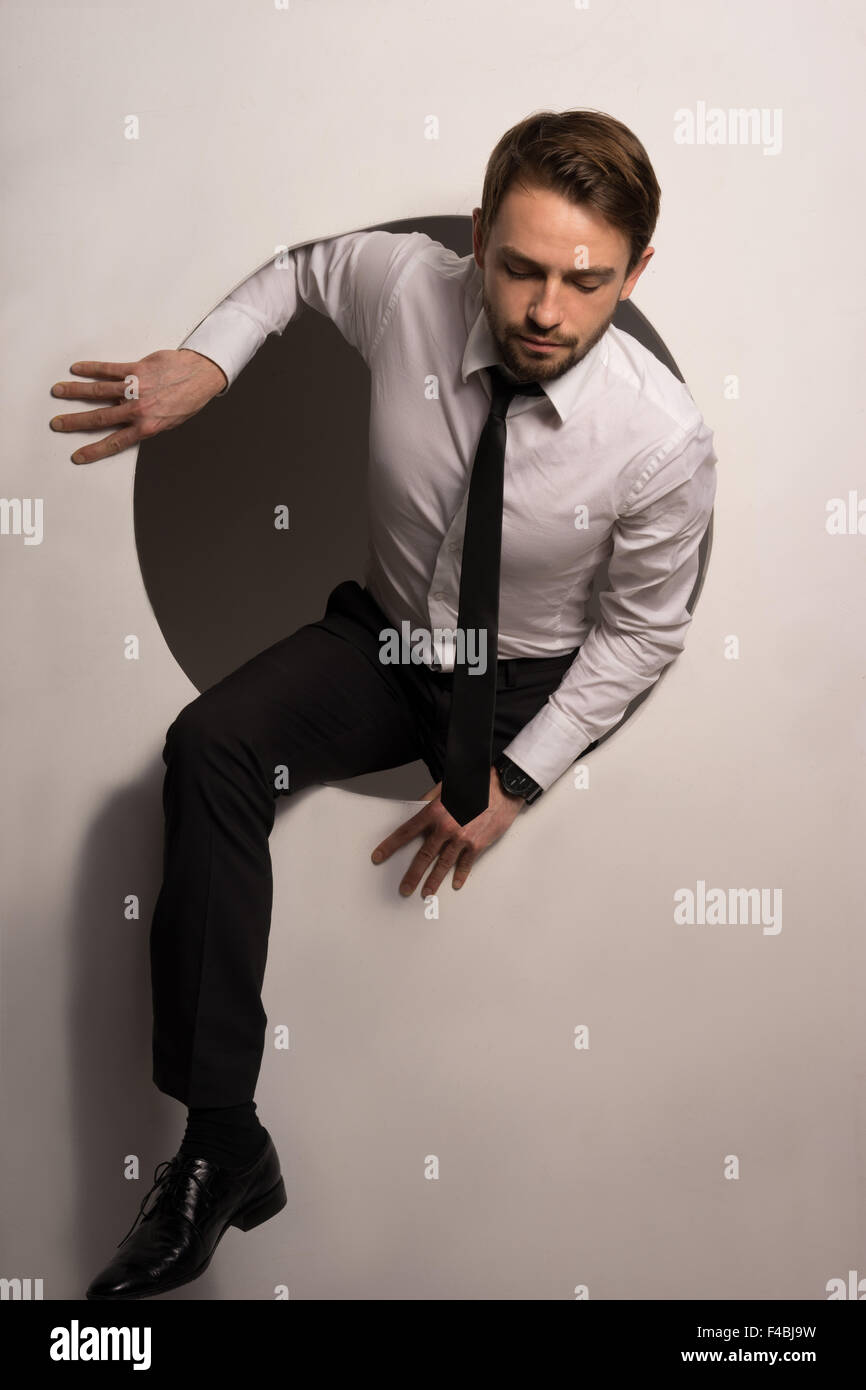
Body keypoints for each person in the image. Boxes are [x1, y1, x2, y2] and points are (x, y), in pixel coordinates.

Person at [48, 108, 718, 1299]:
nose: (543, 312)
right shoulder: (405, 284)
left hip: (520, 683)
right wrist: (210, 357)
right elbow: (298, 272)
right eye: (516, 268)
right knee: (209, 744)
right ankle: (221, 1141)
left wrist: (516, 779)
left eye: (585, 280)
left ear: (636, 272)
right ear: (475, 237)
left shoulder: (660, 440)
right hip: (390, 637)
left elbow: (642, 629)